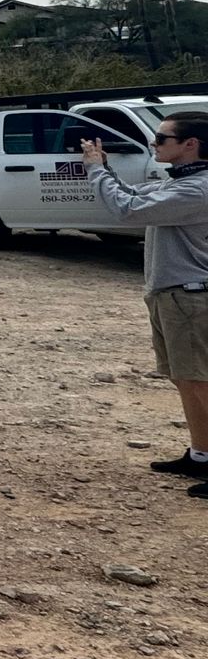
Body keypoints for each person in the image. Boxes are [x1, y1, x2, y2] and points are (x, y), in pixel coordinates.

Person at [81, 110, 208, 497]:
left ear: (191, 145)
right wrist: (105, 168)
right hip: (173, 293)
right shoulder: (182, 183)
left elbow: (127, 210)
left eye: (161, 139)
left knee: (199, 381)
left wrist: (94, 171)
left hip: (190, 295)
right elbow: (135, 196)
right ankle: (201, 454)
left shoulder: (196, 189)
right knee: (186, 378)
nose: (154, 145)